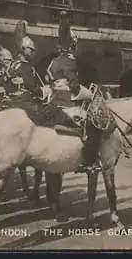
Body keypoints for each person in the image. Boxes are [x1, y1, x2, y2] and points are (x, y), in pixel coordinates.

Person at [46, 11, 96, 173]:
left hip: (53, 100)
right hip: (66, 101)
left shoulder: (54, 61)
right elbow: (74, 86)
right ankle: (88, 161)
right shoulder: (69, 61)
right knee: (89, 124)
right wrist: (88, 94)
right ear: (73, 45)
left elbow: (49, 79)